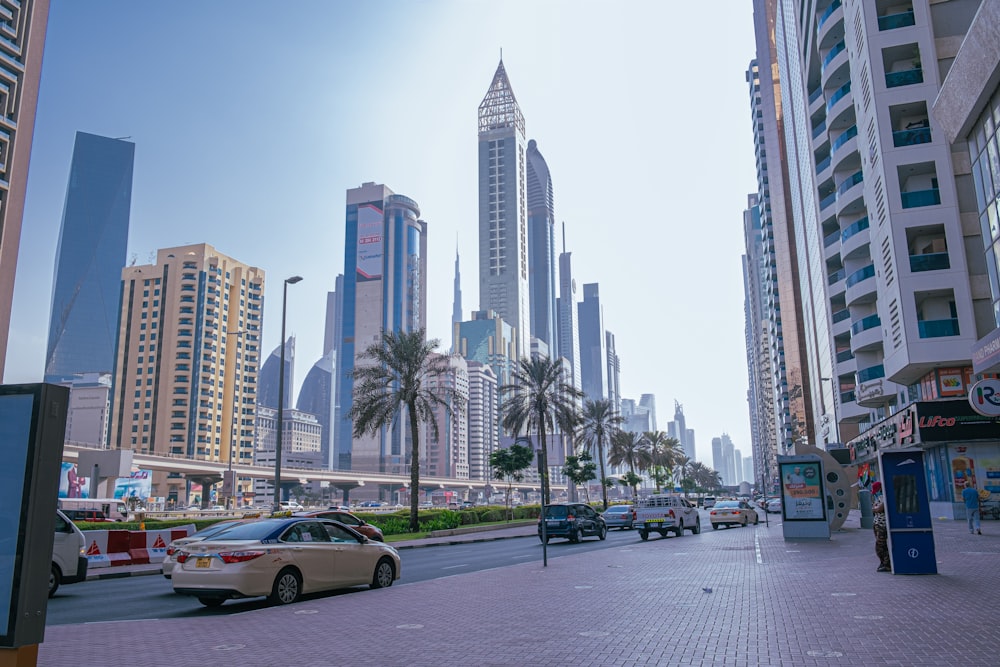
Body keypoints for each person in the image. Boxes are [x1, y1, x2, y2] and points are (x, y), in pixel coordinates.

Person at [871, 481, 891, 572]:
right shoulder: (879, 497)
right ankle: (883, 563)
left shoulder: (885, 497)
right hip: (877, 523)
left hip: (883, 524)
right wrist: (876, 508)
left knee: (880, 545)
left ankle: (886, 564)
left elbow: (878, 508)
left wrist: (876, 508)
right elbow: (874, 508)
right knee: (881, 545)